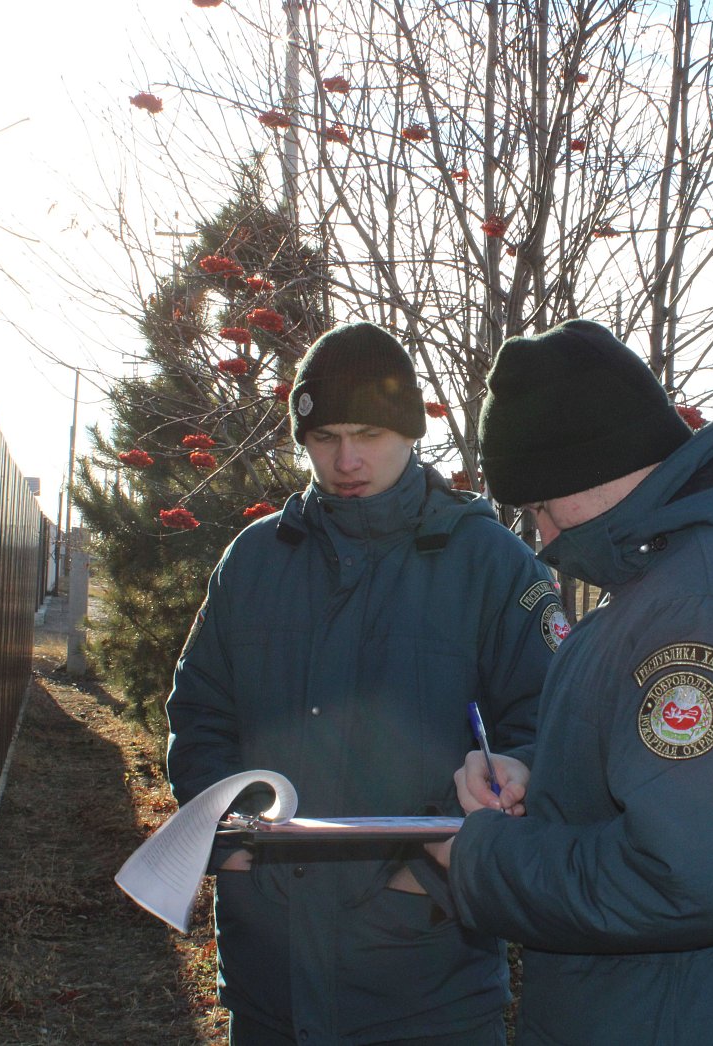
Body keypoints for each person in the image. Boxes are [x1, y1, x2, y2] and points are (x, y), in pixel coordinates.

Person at [428, 319, 713, 1044]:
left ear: (591, 468)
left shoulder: (711, 603)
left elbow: (688, 878)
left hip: (691, 1013)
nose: (542, 537)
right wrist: (541, 778)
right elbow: (671, 778)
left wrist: (484, 860)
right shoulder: (671, 573)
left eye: (540, 507)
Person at [166, 321, 563, 1045]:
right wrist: (232, 838)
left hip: (427, 980)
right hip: (270, 974)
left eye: (369, 434)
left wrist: (432, 884)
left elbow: (548, 734)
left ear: (411, 431)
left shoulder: (490, 564)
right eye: (324, 439)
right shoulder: (254, 561)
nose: (346, 459)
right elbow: (199, 715)